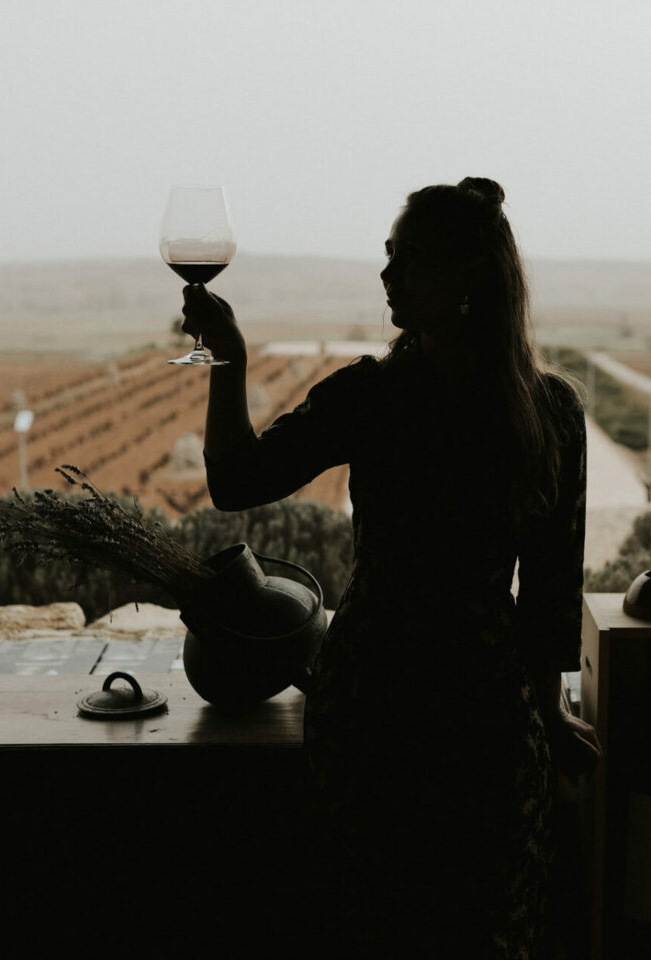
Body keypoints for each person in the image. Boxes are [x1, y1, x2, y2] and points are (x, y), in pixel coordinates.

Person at [180, 177, 599, 958]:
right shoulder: (551, 412)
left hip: (375, 699)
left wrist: (227, 366)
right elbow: (549, 591)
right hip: (483, 711)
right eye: (388, 257)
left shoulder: (373, 397)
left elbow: (234, 480)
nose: (386, 277)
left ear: (468, 276)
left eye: (407, 260)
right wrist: (545, 712)